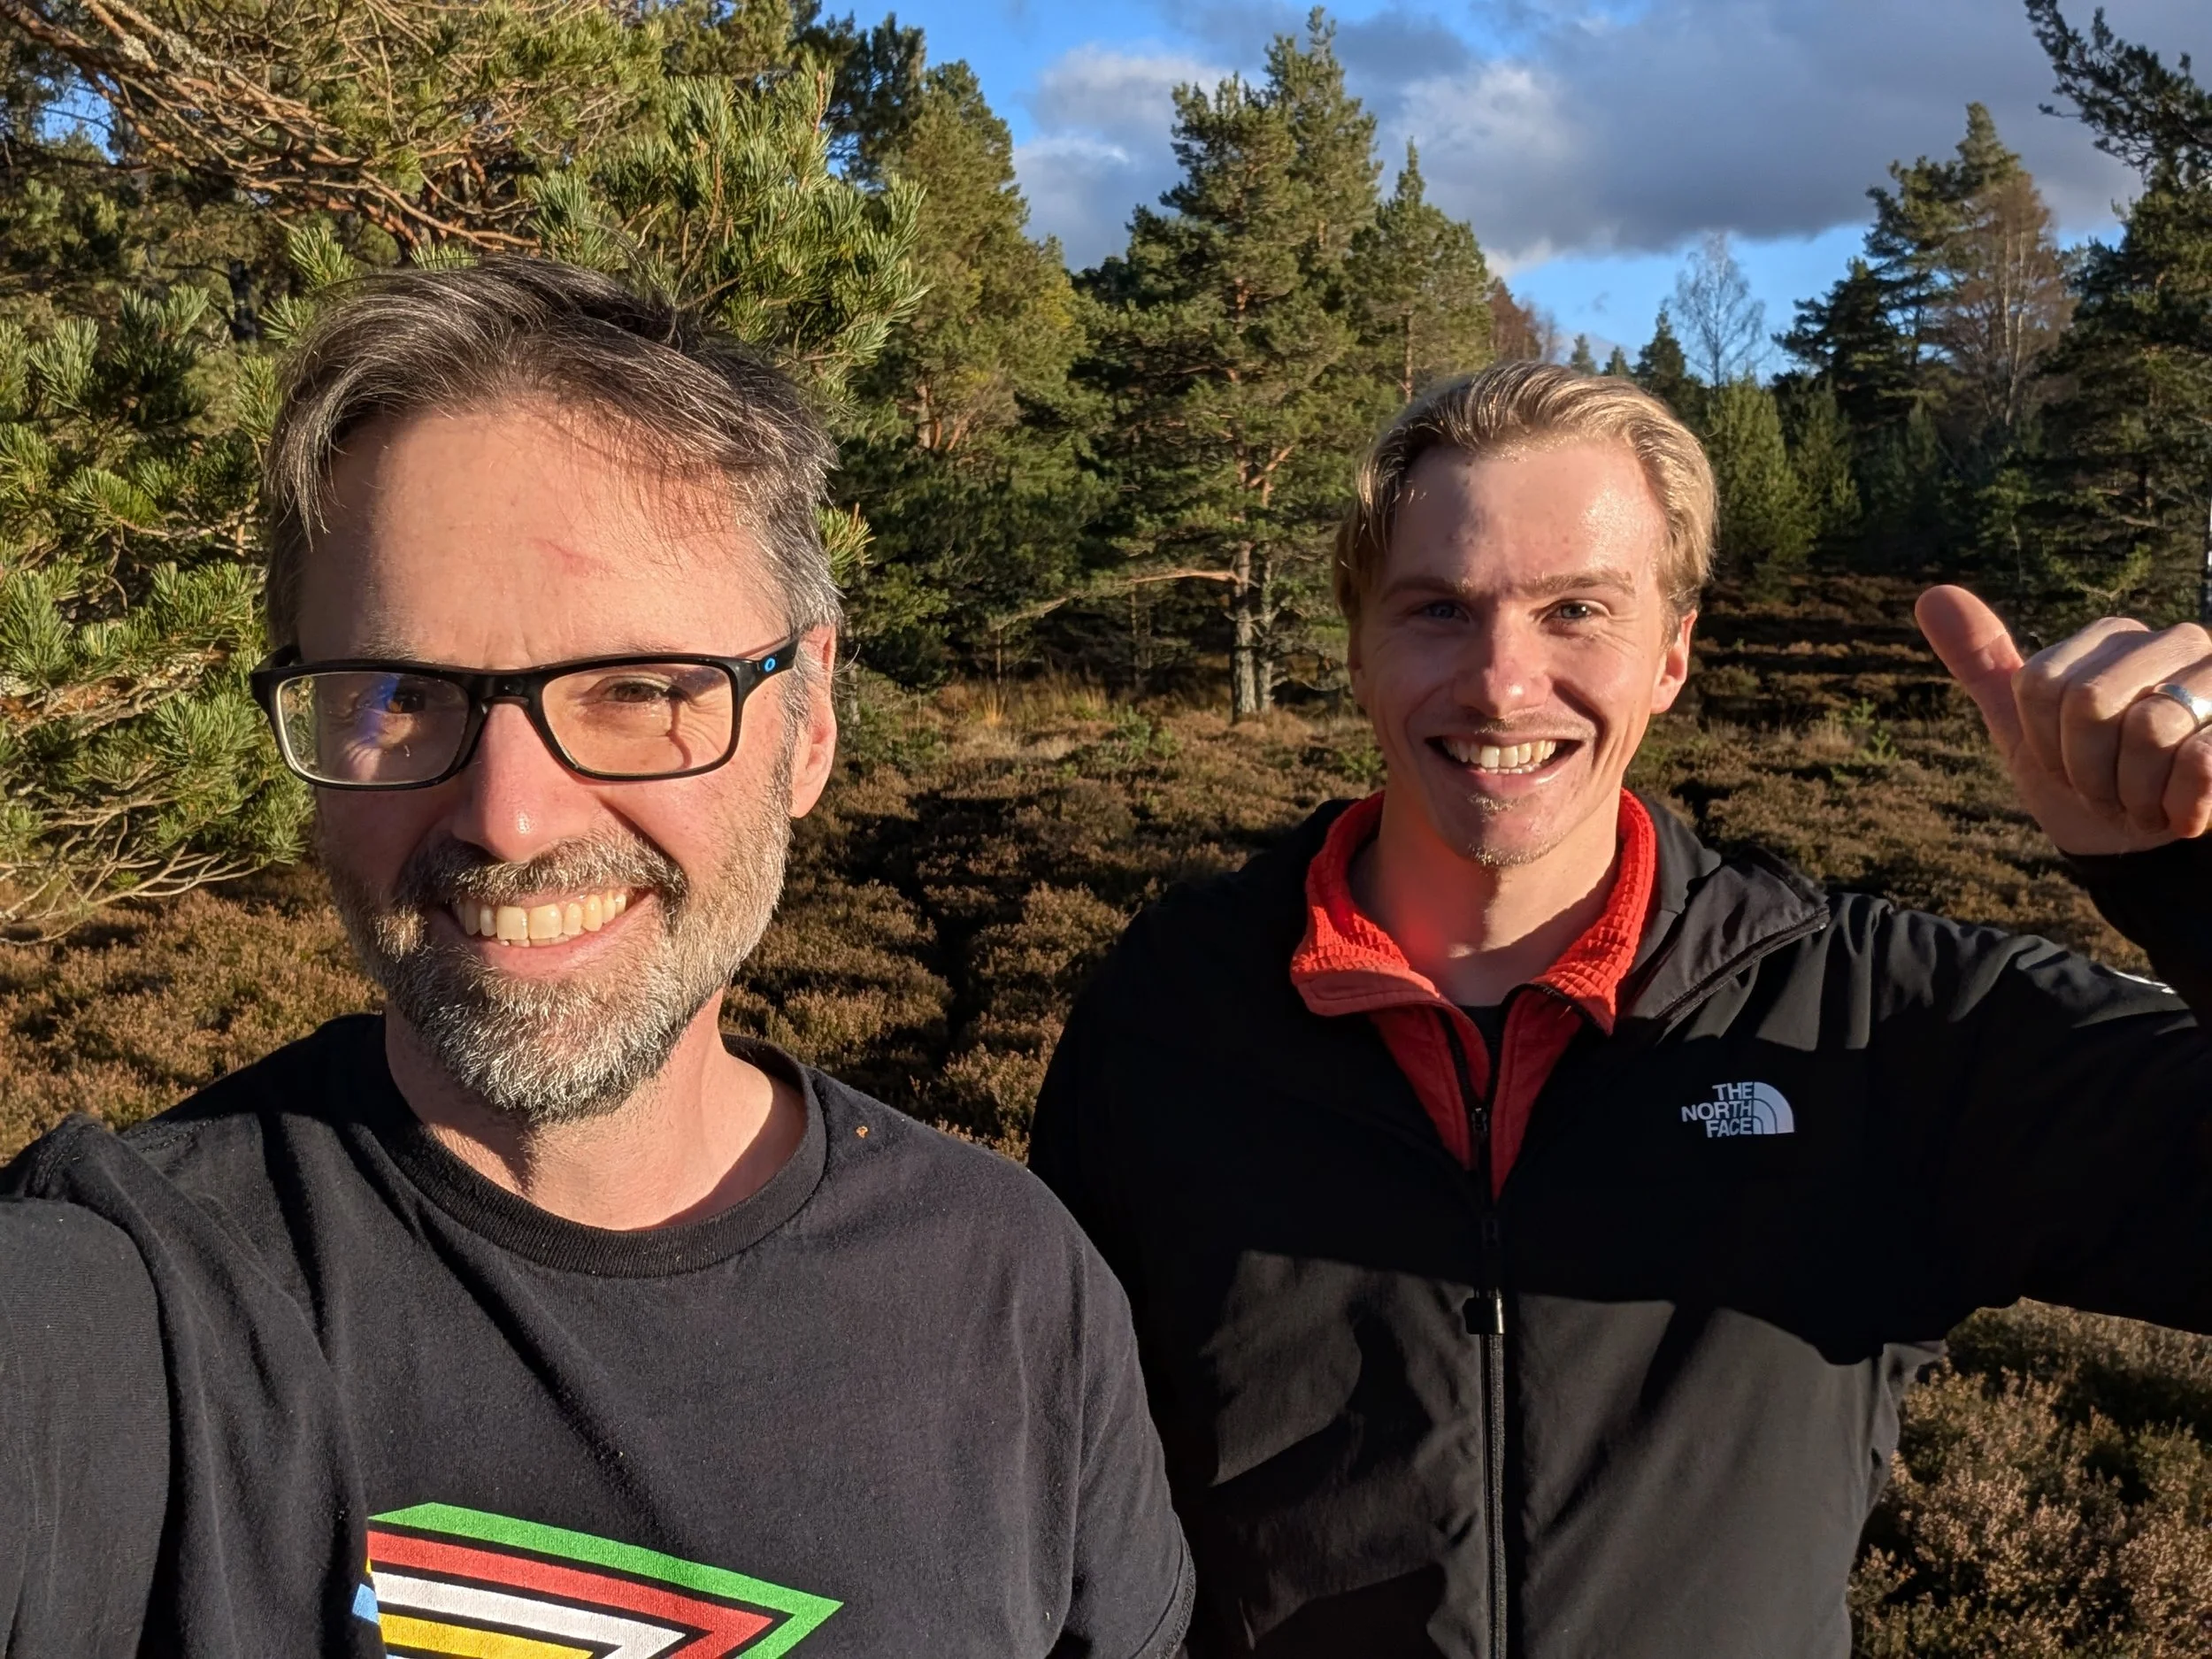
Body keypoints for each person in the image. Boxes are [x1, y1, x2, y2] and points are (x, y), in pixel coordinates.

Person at [7, 257, 1191, 1658]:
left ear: (808, 724)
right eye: (399, 694)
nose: (509, 816)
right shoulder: (119, 1306)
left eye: (636, 688)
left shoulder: (1017, 1297)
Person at [1030, 360, 2212, 1658]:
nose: (1502, 681)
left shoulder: (1880, 1025)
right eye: (1437, 609)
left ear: (1673, 653)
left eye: (1576, 609)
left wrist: (2185, 885)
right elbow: (1056, 1502)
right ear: (1357, 648)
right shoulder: (1167, 1024)